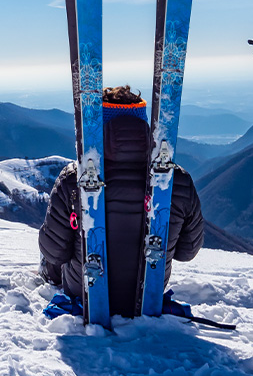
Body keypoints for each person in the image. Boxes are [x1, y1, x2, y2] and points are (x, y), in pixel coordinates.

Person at [38, 85, 205, 318]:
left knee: (57, 244)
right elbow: (187, 251)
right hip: (150, 295)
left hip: (85, 293)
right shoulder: (177, 180)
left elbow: (55, 252)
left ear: (96, 127)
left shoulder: (74, 179)